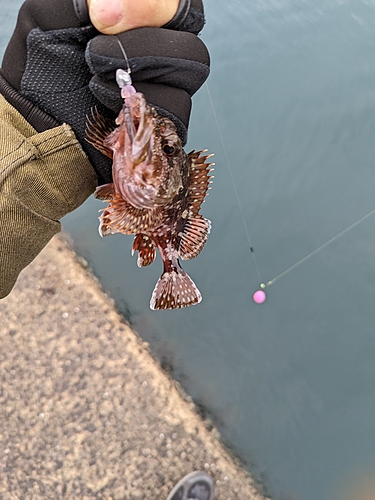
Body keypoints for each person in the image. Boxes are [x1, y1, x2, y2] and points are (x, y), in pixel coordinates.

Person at [0, 0, 210, 299]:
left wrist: (28, 129)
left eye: (167, 148)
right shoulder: (142, 165)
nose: (155, 139)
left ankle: (172, 271)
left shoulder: (151, 189)